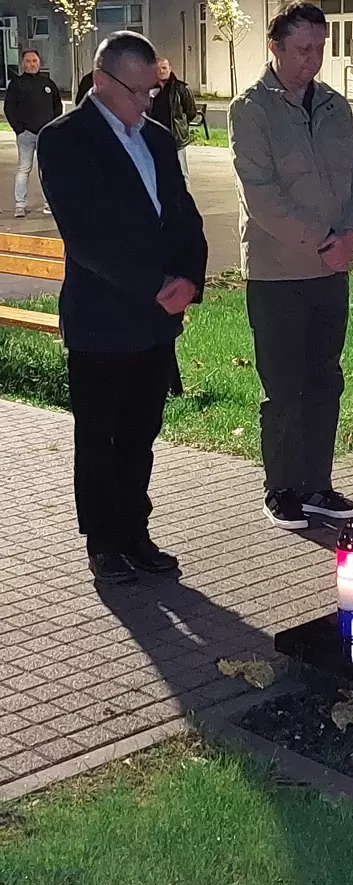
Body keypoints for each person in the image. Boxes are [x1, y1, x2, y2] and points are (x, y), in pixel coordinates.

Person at [37, 31, 208, 585]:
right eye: (137, 91)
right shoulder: (65, 140)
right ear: (102, 81)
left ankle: (136, 532)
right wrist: (155, 284)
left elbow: (182, 215)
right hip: (102, 319)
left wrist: (189, 279)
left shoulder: (155, 137)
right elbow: (88, 237)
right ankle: (104, 543)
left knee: (141, 434)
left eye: (152, 90)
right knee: (100, 438)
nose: (146, 101)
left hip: (156, 319)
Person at [229, 1, 353, 531]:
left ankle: (317, 486)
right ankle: (282, 489)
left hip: (331, 272)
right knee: (283, 388)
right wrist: (324, 240)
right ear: (275, 46)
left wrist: (352, 236)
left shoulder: (335, 107)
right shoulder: (250, 110)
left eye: (319, 49)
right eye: (301, 49)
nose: (311, 60)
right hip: (278, 274)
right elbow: (261, 196)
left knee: (325, 381)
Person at [5, 49, 61, 218]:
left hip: (45, 135)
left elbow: (57, 106)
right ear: (23, 63)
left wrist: (52, 126)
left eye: (34, 61)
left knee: (46, 171)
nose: (31, 64)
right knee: (24, 169)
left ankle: (48, 204)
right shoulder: (16, 84)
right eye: (28, 61)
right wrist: (19, 129)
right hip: (26, 135)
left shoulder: (48, 83)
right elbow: (9, 108)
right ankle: (20, 205)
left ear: (40, 62)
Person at [150, 57, 197, 188]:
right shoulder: (148, 88)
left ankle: (185, 198)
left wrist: (180, 126)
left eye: (164, 68)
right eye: (158, 68)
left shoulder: (181, 88)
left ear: (170, 69)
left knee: (181, 173)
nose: (162, 71)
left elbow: (191, 112)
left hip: (176, 138)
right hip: (155, 138)